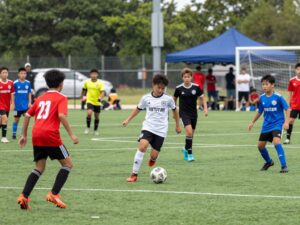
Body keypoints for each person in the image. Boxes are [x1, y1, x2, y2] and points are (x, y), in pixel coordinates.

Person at [17, 69, 79, 210]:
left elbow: (27, 115)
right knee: (68, 165)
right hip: (50, 135)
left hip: (36, 134)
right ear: (61, 83)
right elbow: (62, 115)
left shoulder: (40, 98)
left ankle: (24, 196)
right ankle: (54, 194)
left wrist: (24, 135)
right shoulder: (61, 98)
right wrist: (71, 135)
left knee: (39, 167)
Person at [123, 74, 181, 182]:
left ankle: (153, 159)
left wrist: (177, 125)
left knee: (154, 155)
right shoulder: (146, 98)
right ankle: (134, 174)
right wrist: (127, 119)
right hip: (148, 127)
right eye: (158, 87)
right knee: (142, 146)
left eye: (163, 88)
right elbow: (138, 109)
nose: (160, 90)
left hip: (161, 130)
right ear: (153, 85)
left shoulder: (168, 99)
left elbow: (175, 110)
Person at [248, 74, 290, 173]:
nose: (264, 87)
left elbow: (287, 108)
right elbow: (260, 111)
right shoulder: (262, 98)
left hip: (277, 124)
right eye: (263, 84)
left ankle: (284, 166)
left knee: (276, 142)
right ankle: (269, 162)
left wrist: (286, 122)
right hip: (266, 125)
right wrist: (252, 122)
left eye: (266, 84)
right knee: (260, 146)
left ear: (272, 85)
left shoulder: (278, 97)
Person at [173, 68, 208, 162]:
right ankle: (190, 154)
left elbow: (202, 98)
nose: (187, 78)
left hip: (193, 113)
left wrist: (205, 108)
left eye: (188, 76)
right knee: (188, 132)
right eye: (185, 77)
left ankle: (185, 149)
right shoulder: (178, 88)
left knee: (191, 135)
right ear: (182, 78)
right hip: (183, 113)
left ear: (191, 77)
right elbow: (174, 100)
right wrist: (174, 111)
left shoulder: (196, 87)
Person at [80, 69, 105, 135]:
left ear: (97, 75)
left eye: (95, 74)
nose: (94, 75)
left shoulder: (100, 83)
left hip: (97, 102)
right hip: (89, 100)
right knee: (89, 113)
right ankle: (88, 128)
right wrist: (82, 97)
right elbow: (84, 90)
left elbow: (102, 92)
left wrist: (100, 98)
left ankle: (95, 130)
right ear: (90, 75)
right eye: (92, 74)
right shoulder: (87, 82)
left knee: (96, 116)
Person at [12, 67, 32, 139]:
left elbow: (29, 93)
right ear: (18, 74)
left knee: (25, 120)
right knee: (16, 120)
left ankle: (22, 134)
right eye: (21, 73)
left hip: (25, 106)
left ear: (26, 74)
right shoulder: (15, 83)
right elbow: (13, 94)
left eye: (24, 73)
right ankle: (14, 134)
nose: (23, 75)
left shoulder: (28, 83)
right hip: (17, 106)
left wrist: (30, 102)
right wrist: (13, 104)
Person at [283, 63, 300, 144]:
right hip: (295, 105)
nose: (299, 71)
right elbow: (289, 93)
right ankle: (288, 138)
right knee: (291, 121)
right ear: (295, 70)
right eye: (298, 69)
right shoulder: (292, 80)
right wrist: (287, 105)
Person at [0, 67, 14, 143]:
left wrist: (12, 103)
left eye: (6, 72)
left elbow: (12, 94)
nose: (5, 74)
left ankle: (3, 137)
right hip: (0, 105)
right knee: (5, 119)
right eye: (3, 73)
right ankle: (4, 138)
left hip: (7, 105)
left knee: (3, 122)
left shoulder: (11, 83)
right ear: (0, 74)